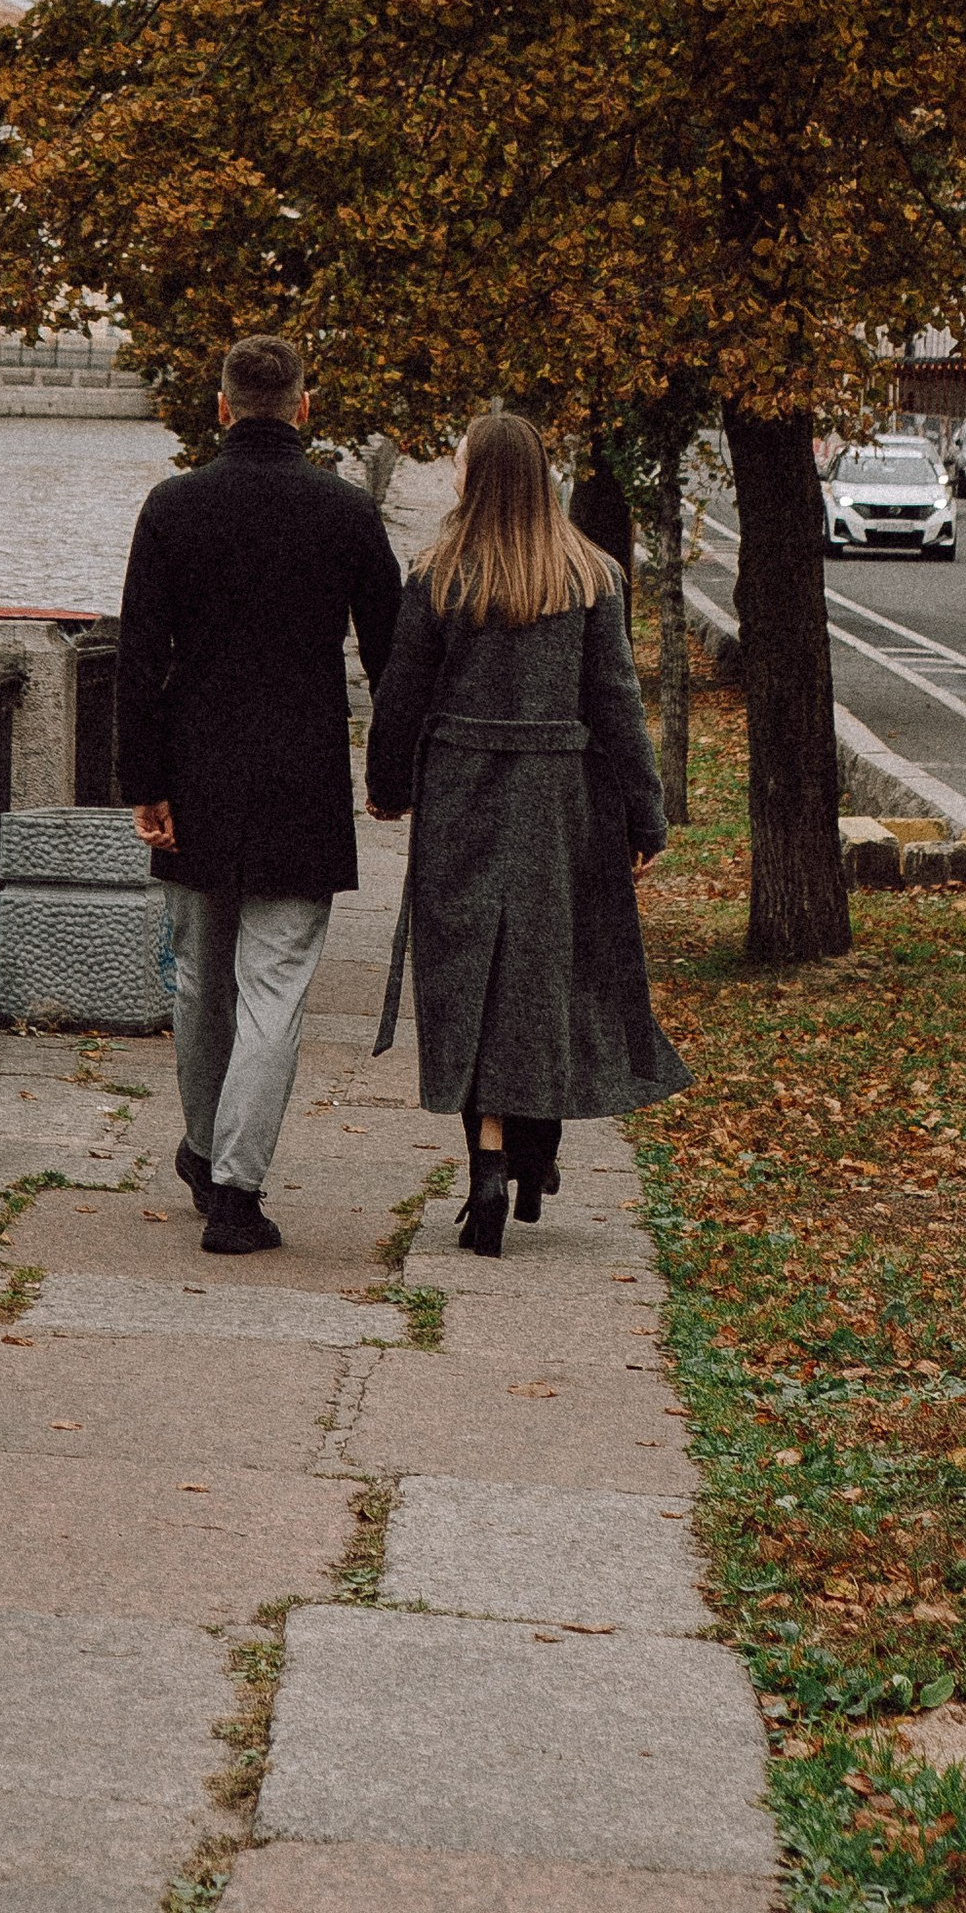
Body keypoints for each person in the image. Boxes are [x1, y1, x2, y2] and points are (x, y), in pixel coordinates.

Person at [365, 409, 688, 1256]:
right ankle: (536, 1147)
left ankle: (487, 1159)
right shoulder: (590, 577)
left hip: (464, 795)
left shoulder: (438, 576)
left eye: (459, 461)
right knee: (548, 974)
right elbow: (619, 710)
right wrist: (644, 814)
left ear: (475, 478)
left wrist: (387, 785)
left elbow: (401, 694)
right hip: (560, 803)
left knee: (469, 975)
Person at [116, 333, 404, 1256]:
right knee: (274, 984)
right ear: (305, 409)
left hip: (197, 771)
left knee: (201, 977)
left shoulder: (173, 506)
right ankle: (236, 1190)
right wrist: (390, 776)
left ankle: (204, 1151)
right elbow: (390, 657)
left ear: (221, 406)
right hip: (301, 773)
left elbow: (137, 657)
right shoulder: (348, 512)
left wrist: (145, 783)